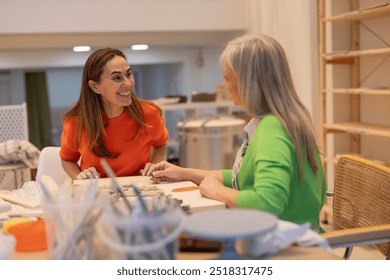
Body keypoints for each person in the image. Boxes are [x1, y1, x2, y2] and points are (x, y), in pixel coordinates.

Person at [145, 34, 327, 231]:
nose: (225, 85)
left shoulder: (273, 129)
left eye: (227, 77)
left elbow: (268, 203)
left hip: (286, 246)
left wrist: (218, 192)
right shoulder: (285, 118)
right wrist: (183, 172)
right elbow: (242, 176)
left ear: (248, 82)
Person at [60, 48, 168, 180]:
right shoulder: (76, 121)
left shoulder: (149, 114)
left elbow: (160, 144)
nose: (128, 84)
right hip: (97, 194)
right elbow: (67, 159)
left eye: (128, 74)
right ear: (95, 87)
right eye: (117, 78)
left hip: (140, 192)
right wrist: (80, 178)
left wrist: (154, 166)